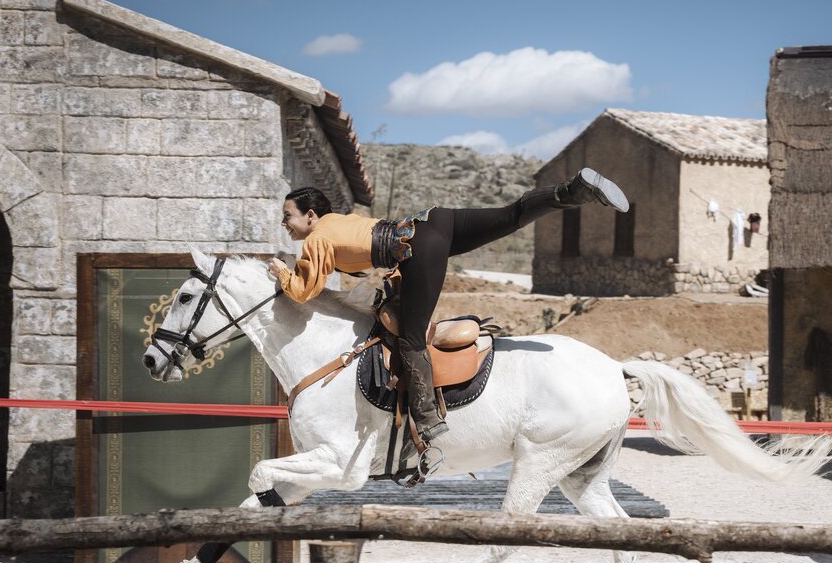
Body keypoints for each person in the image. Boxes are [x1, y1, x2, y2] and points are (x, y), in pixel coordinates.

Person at [267, 169, 629, 475]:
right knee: (511, 214)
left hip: (419, 250)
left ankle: (425, 419)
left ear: (311, 215)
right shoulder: (338, 223)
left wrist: (282, 272)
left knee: (411, 339)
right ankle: (573, 191)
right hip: (434, 221)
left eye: (288, 216)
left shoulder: (318, 238)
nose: (285, 223)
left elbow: (303, 291)